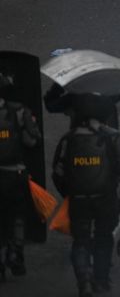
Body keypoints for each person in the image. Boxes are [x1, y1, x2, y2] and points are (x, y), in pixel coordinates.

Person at [51, 92, 120, 297]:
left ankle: (84, 280)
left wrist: (70, 193)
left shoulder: (68, 139)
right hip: (106, 197)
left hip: (79, 199)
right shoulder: (114, 137)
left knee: (80, 240)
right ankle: (101, 280)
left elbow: (57, 172)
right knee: (104, 238)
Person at [0, 72, 41, 280]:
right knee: (17, 215)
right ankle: (16, 253)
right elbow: (32, 141)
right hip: (15, 173)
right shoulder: (18, 111)